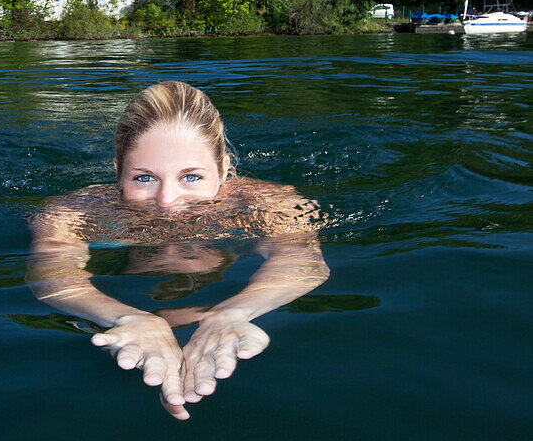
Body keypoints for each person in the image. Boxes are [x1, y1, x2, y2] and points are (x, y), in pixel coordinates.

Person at [28, 81, 329, 420]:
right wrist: (124, 317)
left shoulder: (273, 204)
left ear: (224, 169)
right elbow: (51, 272)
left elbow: (302, 260)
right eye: (144, 178)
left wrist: (235, 312)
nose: (167, 201)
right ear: (118, 173)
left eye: (191, 177)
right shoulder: (72, 212)